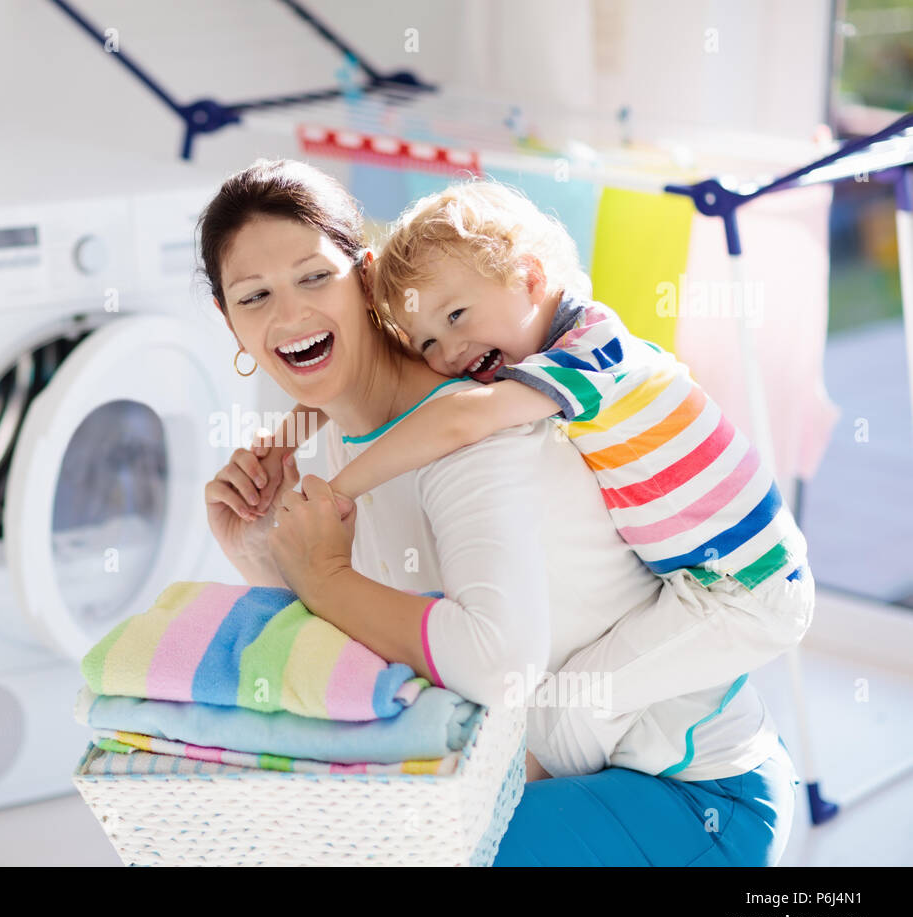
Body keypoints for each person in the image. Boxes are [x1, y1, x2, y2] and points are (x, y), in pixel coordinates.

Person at [199, 158, 800, 865]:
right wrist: (260, 548)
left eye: (313, 277)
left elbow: (492, 665)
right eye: (254, 295)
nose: (291, 313)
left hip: (693, 793)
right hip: (573, 770)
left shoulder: (474, 426)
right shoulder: (340, 446)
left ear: (365, 280)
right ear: (229, 322)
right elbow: (371, 660)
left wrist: (324, 567)